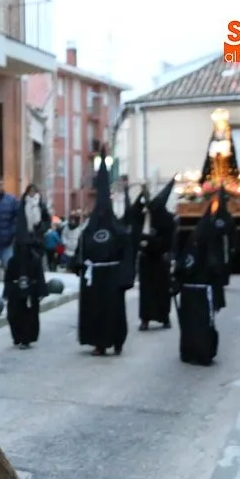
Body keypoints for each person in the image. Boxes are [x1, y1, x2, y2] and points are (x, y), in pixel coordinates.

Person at [71, 152, 135, 356]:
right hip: (94, 279)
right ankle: (98, 342)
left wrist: (125, 277)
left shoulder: (118, 231)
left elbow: (127, 253)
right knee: (95, 312)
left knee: (113, 312)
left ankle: (116, 340)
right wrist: (78, 264)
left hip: (112, 278)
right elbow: (81, 250)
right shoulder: (88, 230)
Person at [172, 194, 226, 365]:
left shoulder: (193, 246)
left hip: (194, 292)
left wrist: (177, 281)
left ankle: (193, 351)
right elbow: (216, 272)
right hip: (199, 291)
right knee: (198, 323)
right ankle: (201, 352)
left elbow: (182, 267)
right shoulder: (207, 250)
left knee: (193, 323)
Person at [129, 180, 176, 331]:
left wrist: (149, 240)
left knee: (162, 290)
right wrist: (142, 196)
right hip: (146, 260)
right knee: (146, 292)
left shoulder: (167, 219)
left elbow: (166, 241)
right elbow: (133, 213)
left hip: (160, 259)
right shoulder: (144, 216)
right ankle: (145, 318)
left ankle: (164, 317)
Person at [4, 199, 48, 349]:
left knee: (29, 315)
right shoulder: (12, 261)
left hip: (31, 292)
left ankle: (27, 338)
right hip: (16, 293)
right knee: (14, 315)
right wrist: (8, 292)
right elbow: (8, 278)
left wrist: (40, 291)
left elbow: (40, 277)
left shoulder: (34, 260)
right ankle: (17, 337)